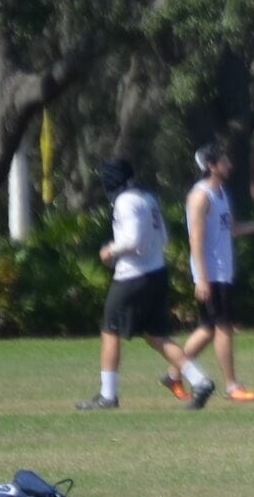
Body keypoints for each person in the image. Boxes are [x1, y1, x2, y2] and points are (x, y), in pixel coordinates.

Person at [76, 158, 214, 411]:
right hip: (156, 272)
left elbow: (133, 240)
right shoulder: (148, 198)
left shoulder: (125, 201)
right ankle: (200, 380)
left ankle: (108, 395)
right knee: (156, 336)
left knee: (110, 330)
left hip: (132, 276)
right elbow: (161, 237)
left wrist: (110, 251)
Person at [163, 142, 254, 403]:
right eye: (224, 161)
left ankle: (173, 373)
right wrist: (201, 278)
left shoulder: (221, 192)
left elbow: (231, 228)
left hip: (223, 271)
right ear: (211, 165)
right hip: (210, 273)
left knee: (208, 329)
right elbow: (196, 241)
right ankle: (232, 386)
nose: (230, 165)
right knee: (224, 327)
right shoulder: (200, 196)